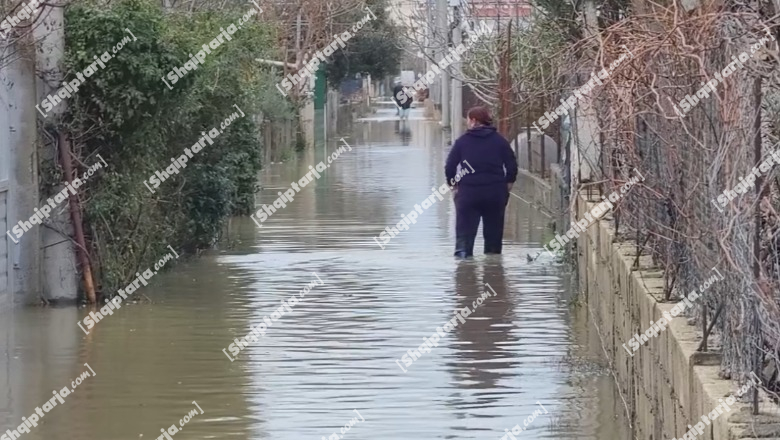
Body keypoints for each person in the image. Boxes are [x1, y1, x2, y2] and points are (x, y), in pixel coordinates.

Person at [445, 106, 517, 258]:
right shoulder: (499, 141)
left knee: (464, 240)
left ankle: (464, 271)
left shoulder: (462, 142)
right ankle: (494, 274)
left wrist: (453, 185)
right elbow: (511, 164)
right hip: (494, 194)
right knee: (493, 242)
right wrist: (508, 184)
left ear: (473, 121)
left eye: (468, 119)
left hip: (468, 195)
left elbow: (450, 166)